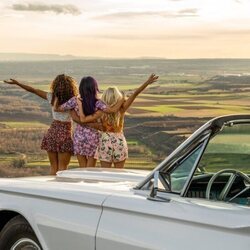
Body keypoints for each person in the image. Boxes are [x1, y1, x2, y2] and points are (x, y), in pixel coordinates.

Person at [78, 73, 158, 168]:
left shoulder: (100, 110)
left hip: (105, 141)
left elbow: (89, 121)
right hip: (119, 141)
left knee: (106, 173)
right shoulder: (122, 108)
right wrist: (147, 83)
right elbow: (135, 93)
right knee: (118, 173)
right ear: (118, 96)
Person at [3, 75, 78, 175]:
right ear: (71, 87)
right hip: (64, 134)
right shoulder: (73, 101)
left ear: (55, 85)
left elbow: (33, 90)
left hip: (52, 132)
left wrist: (18, 84)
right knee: (62, 169)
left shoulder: (51, 97)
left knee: (53, 167)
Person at [57, 76, 123, 168]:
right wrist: (122, 99)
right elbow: (112, 110)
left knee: (82, 167)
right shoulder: (98, 103)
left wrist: (70, 109)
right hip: (93, 137)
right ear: (94, 88)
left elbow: (58, 108)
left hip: (79, 137)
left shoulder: (75, 100)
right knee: (90, 168)